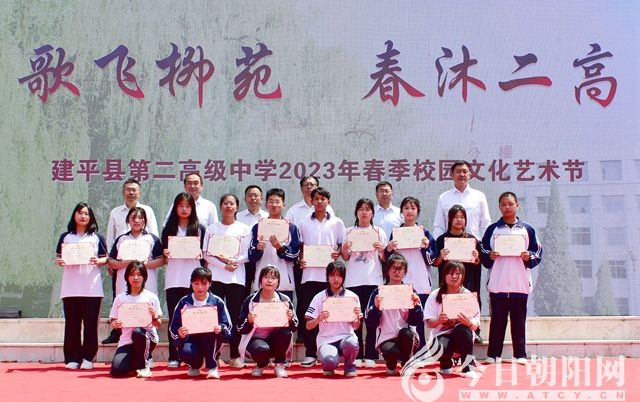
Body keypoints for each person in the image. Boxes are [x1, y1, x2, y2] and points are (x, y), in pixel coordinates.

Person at [481, 192, 542, 365]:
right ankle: (493, 354)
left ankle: (520, 354)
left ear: (517, 205)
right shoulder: (493, 229)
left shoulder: (527, 229)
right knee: (497, 321)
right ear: (499, 207)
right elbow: (483, 250)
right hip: (498, 283)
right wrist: (490, 255)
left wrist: (528, 256)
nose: (507, 207)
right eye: (503, 204)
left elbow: (537, 252)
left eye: (510, 204)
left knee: (519, 322)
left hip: (519, 283)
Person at [103, 178, 159, 344]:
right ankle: (118, 332)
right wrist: (111, 263)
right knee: (122, 296)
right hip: (122, 267)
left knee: (144, 298)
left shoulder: (148, 212)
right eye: (128, 189)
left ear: (139, 192)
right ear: (123, 192)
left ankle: (147, 332)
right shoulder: (115, 213)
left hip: (144, 268)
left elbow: (154, 237)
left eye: (134, 190)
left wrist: (146, 261)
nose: (131, 192)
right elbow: (110, 240)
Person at [55, 202, 108, 370]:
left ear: (91, 217)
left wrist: (98, 261)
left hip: (92, 288)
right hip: (70, 287)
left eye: (86, 213)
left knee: (91, 325)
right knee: (72, 324)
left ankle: (88, 357)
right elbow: (57, 257)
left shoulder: (97, 238)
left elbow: (106, 258)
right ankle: (72, 358)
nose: (83, 216)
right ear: (74, 215)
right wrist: (59, 261)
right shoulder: (66, 237)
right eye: (80, 213)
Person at [296, 187, 345, 367]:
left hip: (330, 277)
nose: (319, 202)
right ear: (311, 201)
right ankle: (310, 352)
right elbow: (300, 247)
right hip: (309, 276)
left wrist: (337, 253)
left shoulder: (337, 222)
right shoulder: (303, 223)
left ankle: (329, 350)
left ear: (328, 202)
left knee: (330, 313)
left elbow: (342, 245)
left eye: (323, 199)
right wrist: (301, 259)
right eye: (316, 198)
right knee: (310, 315)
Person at [202, 193, 251, 368]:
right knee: (214, 316)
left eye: (232, 204)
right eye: (225, 203)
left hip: (236, 278)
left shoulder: (244, 229)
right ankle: (212, 355)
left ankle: (235, 355)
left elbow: (248, 254)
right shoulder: (212, 229)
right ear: (221, 206)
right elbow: (206, 254)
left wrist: (233, 261)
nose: (228, 207)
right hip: (216, 277)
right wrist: (224, 266)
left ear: (237, 207)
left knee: (234, 316)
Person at [384, 196, 436, 349]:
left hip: (421, 282)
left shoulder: (424, 233)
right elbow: (388, 260)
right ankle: (403, 350)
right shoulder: (396, 233)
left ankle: (421, 349)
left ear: (418, 212)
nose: (409, 211)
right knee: (402, 318)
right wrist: (389, 248)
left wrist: (426, 247)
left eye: (413, 208)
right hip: (401, 283)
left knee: (419, 317)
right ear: (401, 211)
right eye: (406, 208)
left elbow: (432, 259)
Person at [161, 193, 206, 368]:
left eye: (187, 206)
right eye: (181, 206)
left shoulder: (199, 229)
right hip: (174, 278)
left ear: (192, 208)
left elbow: (205, 256)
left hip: (193, 280)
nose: (184, 209)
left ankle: (193, 355)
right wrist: (165, 253)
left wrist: (200, 254)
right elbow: (163, 254)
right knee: (175, 318)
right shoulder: (169, 229)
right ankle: (174, 356)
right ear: (175, 208)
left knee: (193, 317)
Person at [341, 198, 387, 368]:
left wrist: (381, 250)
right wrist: (344, 249)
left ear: (373, 213)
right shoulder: (349, 231)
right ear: (356, 212)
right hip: (353, 281)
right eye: (361, 209)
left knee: (372, 319)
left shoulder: (379, 231)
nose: (364, 212)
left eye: (368, 209)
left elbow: (384, 259)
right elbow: (346, 257)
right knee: (356, 318)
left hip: (373, 280)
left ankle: (371, 355)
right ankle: (357, 354)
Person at [169, 267, 233, 379]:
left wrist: (221, 329)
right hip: (191, 339)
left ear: (210, 283)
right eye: (196, 283)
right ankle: (195, 365)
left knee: (211, 333)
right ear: (191, 283)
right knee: (186, 352)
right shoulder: (184, 302)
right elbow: (173, 327)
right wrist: (180, 334)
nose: (200, 287)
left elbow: (228, 327)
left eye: (204, 283)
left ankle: (212, 366)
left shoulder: (217, 302)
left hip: (211, 339)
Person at [365, 253, 423, 376]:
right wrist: (376, 308)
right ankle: (391, 365)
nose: (397, 272)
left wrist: (415, 307)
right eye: (393, 268)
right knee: (392, 352)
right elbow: (370, 322)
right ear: (387, 270)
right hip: (386, 337)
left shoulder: (410, 291)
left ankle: (407, 363)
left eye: (400, 269)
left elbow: (416, 321)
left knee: (406, 334)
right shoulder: (378, 292)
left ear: (405, 271)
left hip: (407, 335)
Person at [433, 204, 483, 342]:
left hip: (467, 279)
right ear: (449, 219)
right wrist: (441, 256)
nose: (459, 220)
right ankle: (447, 331)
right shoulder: (442, 240)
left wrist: (476, 257)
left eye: (462, 217)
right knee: (448, 304)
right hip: (449, 280)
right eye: (455, 217)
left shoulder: (472, 239)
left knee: (469, 303)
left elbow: (478, 263)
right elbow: (435, 263)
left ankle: (474, 331)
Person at [237, 266, 298, 378]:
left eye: (273, 278)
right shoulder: (250, 300)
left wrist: (290, 319)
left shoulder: (284, 300)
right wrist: (249, 321)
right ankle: (261, 364)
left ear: (278, 282)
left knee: (286, 332)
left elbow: (294, 326)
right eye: (266, 277)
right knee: (261, 349)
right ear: (260, 280)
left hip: (276, 338)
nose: (269, 280)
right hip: (255, 340)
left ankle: (279, 365)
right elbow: (240, 327)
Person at [424, 261, 480, 379]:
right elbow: (429, 323)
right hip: (442, 334)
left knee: (462, 329)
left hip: (462, 336)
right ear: (444, 275)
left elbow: (475, 324)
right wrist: (439, 320)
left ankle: (468, 367)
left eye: (457, 274)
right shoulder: (435, 295)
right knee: (440, 346)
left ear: (462, 276)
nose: (454, 276)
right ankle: (445, 364)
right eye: (450, 273)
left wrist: (468, 323)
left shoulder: (469, 296)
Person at [305, 262, 362, 377]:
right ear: (327, 276)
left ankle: (349, 366)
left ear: (344, 277)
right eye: (332, 275)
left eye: (339, 275)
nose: (336, 279)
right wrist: (318, 319)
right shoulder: (319, 297)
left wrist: (357, 318)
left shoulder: (353, 297)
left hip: (346, 337)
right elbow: (308, 326)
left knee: (352, 343)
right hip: (326, 340)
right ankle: (329, 363)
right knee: (329, 362)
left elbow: (356, 326)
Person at [109, 261, 162, 378]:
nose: (136, 278)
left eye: (139, 274)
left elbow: (158, 324)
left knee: (137, 332)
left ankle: (144, 366)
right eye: (132, 274)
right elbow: (113, 321)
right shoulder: (120, 298)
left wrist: (154, 316)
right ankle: (135, 363)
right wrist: (115, 324)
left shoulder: (151, 297)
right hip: (126, 341)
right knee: (117, 371)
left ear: (144, 277)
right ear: (127, 277)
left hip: (146, 338)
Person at [248, 188, 300, 300]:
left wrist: (280, 248)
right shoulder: (258, 227)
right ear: (266, 204)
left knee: (284, 310)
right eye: (271, 201)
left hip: (284, 283)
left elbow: (295, 254)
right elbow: (251, 256)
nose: (274, 205)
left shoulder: (291, 227)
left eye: (277, 202)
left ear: (283, 205)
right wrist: (258, 248)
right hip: (262, 281)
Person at [108, 207, 164, 296]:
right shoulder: (121, 239)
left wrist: (143, 264)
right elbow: (111, 261)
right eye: (133, 217)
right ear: (128, 220)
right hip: (123, 284)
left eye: (140, 217)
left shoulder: (152, 239)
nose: (136, 220)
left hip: (148, 283)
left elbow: (162, 260)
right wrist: (124, 264)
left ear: (144, 221)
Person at [432, 160, 491, 240]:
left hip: (474, 244)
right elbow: (439, 226)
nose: (462, 174)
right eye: (458, 171)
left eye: (465, 171)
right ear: (452, 174)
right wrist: (439, 244)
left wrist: (485, 244)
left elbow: (486, 224)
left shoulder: (479, 196)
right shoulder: (444, 197)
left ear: (470, 174)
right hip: (450, 244)